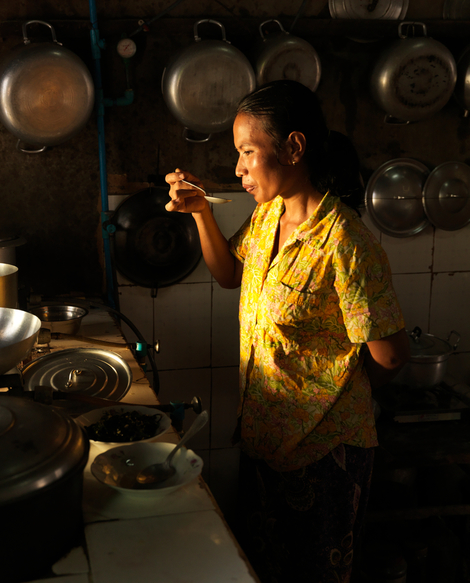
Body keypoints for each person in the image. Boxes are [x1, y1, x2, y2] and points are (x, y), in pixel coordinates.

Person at [164, 80, 409, 583]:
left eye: (247, 152)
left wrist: (327, 393)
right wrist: (201, 214)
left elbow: (389, 357)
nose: (238, 169)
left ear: (293, 147)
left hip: (324, 451)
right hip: (263, 438)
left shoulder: (346, 244)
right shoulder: (267, 216)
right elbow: (230, 274)